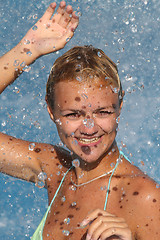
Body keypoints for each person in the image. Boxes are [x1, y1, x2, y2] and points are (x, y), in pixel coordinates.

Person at [0, 1, 159, 240]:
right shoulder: (55, 168)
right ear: (51, 111)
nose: (89, 128)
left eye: (103, 112)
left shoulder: (144, 196)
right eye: (73, 114)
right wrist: (27, 49)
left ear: (119, 108)